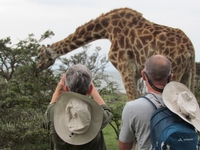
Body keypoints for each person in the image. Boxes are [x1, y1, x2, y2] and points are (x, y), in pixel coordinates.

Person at [43, 64, 113, 150]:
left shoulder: (53, 112)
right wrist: (93, 90)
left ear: (67, 89)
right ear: (90, 89)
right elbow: (107, 111)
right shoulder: (98, 114)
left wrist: (57, 91)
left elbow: (47, 115)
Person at [119, 55, 173, 150]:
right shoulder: (184, 105)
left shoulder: (132, 108)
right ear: (171, 77)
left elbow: (124, 146)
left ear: (143, 75)